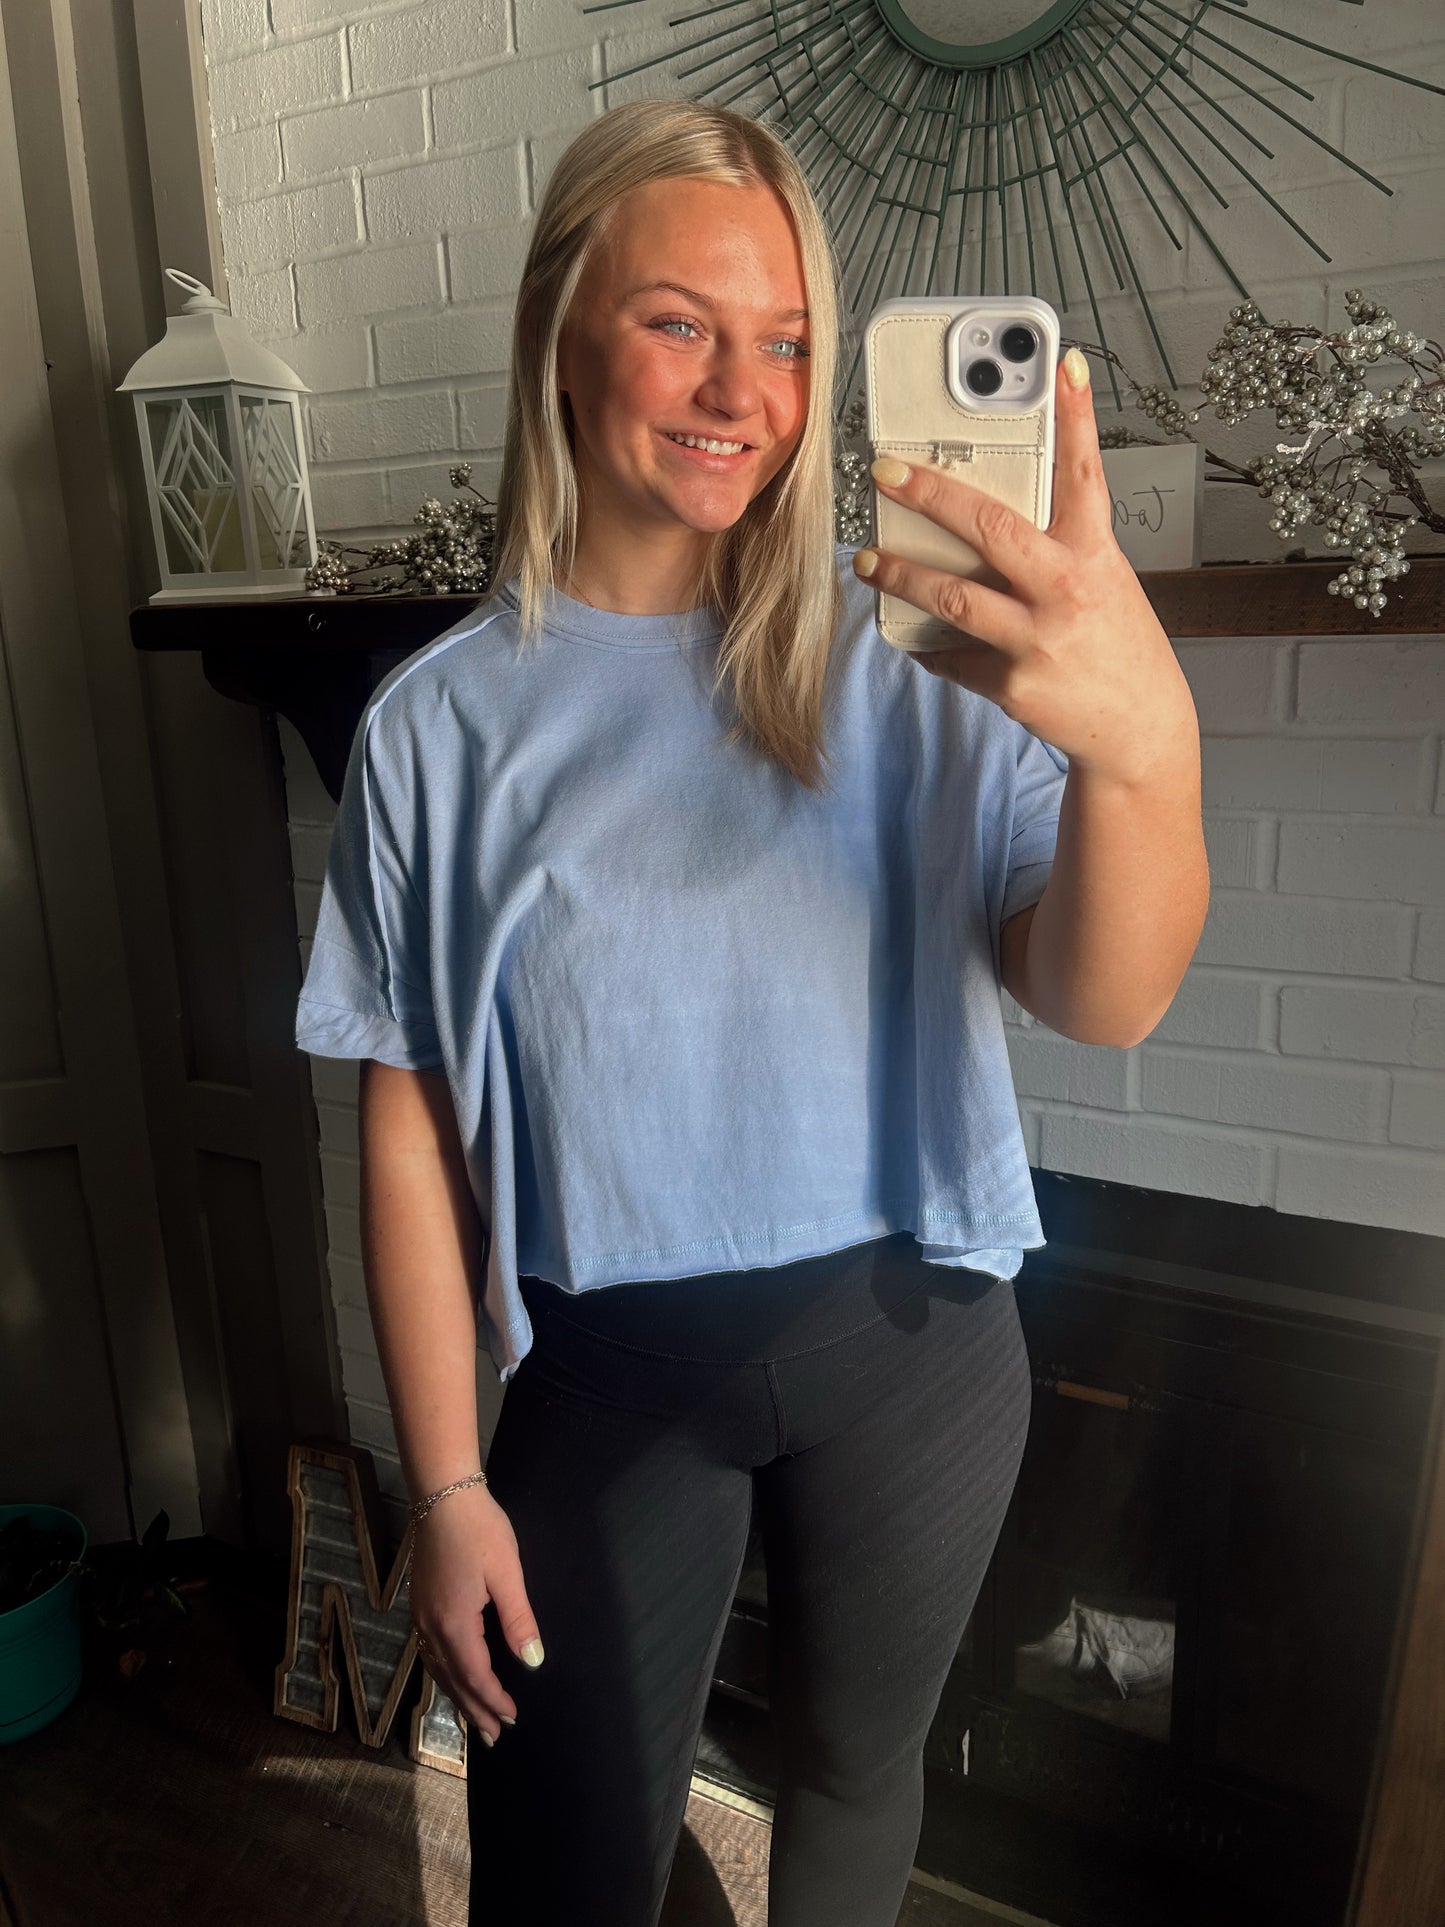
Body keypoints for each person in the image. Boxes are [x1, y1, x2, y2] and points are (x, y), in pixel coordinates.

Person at [293, 97, 1207, 1927]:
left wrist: (1143, 749)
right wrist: (446, 1485)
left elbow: (1102, 998)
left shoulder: (922, 669)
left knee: (858, 1800)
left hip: (918, 1344)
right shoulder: (436, 729)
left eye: (787, 341)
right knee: (564, 1865)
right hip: (609, 1375)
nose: (743, 390)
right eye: (679, 323)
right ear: (562, 330)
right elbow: (409, 1132)